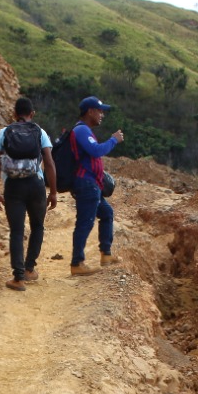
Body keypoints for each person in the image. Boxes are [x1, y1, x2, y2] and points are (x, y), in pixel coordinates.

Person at [0, 97, 57, 291]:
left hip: (13, 187)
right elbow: (49, 163)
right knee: (38, 226)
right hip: (36, 185)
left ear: (14, 114)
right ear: (32, 114)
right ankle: (29, 269)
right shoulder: (40, 132)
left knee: (17, 231)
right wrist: (53, 192)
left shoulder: (4, 132)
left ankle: (18, 279)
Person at [67, 96, 124, 276]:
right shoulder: (81, 130)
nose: (102, 115)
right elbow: (96, 150)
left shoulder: (86, 130)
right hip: (86, 183)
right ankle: (77, 263)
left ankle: (106, 254)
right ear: (90, 112)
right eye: (100, 111)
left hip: (93, 184)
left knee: (106, 213)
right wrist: (113, 140)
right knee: (85, 222)